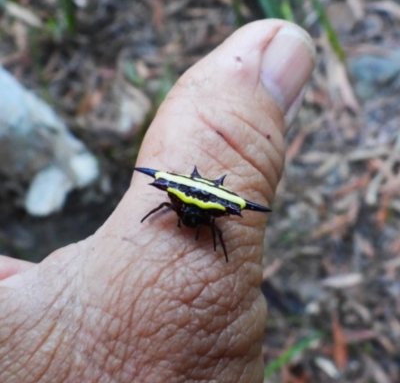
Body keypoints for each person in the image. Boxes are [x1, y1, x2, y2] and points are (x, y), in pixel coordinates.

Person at [0, 19, 315, 382]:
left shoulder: (198, 217)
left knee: (190, 214)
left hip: (200, 204)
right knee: (173, 207)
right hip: (192, 204)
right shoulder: (180, 210)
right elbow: (168, 207)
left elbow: (191, 217)